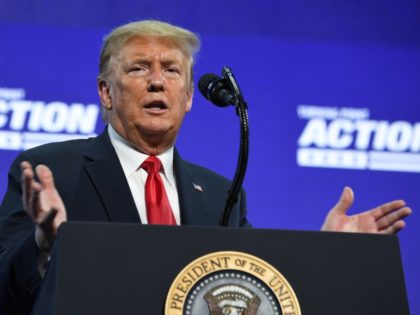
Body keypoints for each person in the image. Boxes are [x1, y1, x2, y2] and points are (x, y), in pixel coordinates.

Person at [0, 20, 412, 315]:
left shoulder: (219, 194)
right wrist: (46, 242)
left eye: (172, 70)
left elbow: (256, 289)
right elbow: (4, 290)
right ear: (106, 92)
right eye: (139, 68)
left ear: (189, 97)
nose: (157, 82)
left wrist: (325, 252)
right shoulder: (49, 170)